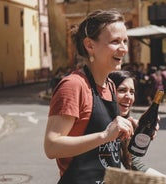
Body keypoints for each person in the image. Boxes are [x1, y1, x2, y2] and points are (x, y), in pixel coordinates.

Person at [44, 9, 135, 184]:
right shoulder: (73, 86)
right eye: (116, 41)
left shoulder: (109, 85)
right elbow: (51, 146)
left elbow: (109, 149)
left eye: (125, 41)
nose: (124, 49)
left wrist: (131, 131)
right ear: (90, 45)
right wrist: (105, 135)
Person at [108, 70, 166, 175]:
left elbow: (134, 163)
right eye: (122, 90)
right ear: (108, 92)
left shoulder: (127, 124)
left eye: (132, 92)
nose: (129, 97)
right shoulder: (97, 122)